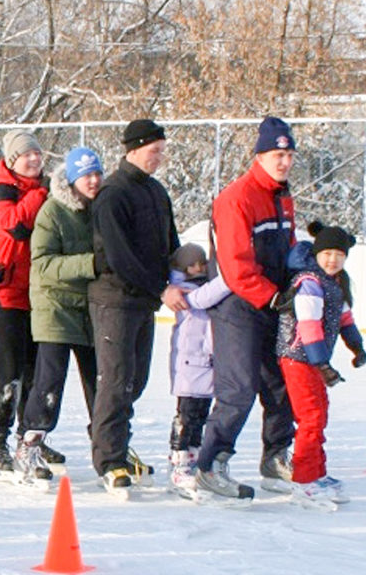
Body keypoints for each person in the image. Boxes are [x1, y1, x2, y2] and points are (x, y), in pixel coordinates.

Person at [194, 116, 301, 503]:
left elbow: (289, 249)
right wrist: (272, 297)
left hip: (273, 303)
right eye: (277, 155)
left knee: (280, 384)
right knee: (239, 388)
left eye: (289, 155)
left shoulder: (282, 196)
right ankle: (210, 465)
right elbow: (235, 266)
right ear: (259, 157)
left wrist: (303, 276)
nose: (284, 162)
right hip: (239, 306)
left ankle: (275, 457)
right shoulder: (236, 198)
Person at [87, 119, 180, 500]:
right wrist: (161, 288)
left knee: (135, 381)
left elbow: (170, 244)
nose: (159, 157)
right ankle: (110, 461)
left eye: (162, 151)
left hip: (143, 302)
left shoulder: (155, 192)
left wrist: (185, 275)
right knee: (116, 380)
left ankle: (119, 447)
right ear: (134, 149)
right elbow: (119, 256)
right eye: (153, 151)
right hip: (115, 300)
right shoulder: (113, 193)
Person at [18, 146, 102, 485]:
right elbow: (42, 264)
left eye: (97, 174)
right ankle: (29, 443)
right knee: (50, 380)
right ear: (72, 179)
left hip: (89, 308)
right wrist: (90, 264)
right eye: (86, 176)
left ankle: (110, 447)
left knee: (100, 380)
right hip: (54, 307)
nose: (93, 181)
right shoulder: (52, 212)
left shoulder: (100, 209)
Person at [276, 223, 366, 507]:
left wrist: (357, 347)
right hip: (298, 358)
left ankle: (316, 474)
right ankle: (304, 482)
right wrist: (322, 364)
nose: (333, 260)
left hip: (313, 359)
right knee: (311, 418)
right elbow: (309, 326)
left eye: (339, 255)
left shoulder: (336, 283)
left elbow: (345, 319)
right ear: (316, 254)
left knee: (319, 415)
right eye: (327, 253)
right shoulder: (310, 283)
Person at [0, 130, 49, 475]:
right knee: (8, 370)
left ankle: (28, 437)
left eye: (37, 154)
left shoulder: (38, 189)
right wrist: (43, 192)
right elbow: (15, 224)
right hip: (0, 293)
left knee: (34, 370)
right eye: (25, 155)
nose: (33, 160)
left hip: (32, 292)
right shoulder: (2, 189)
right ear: (12, 159)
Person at [165, 243, 232, 499]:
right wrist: (231, 278)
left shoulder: (202, 286)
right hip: (189, 363)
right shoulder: (184, 290)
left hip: (205, 362)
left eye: (202, 263)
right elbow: (205, 299)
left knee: (201, 415)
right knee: (187, 415)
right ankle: (179, 461)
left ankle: (192, 458)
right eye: (192, 265)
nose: (199, 268)